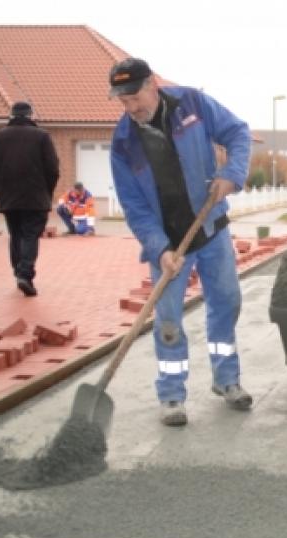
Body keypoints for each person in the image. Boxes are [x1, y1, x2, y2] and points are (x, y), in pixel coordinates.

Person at [108, 57, 252, 426]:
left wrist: (231, 174)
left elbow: (238, 132)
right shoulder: (123, 142)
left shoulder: (192, 104)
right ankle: (172, 395)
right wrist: (160, 249)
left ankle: (227, 379)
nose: (131, 108)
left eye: (135, 97)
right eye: (123, 102)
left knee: (227, 302)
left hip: (210, 229)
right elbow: (134, 207)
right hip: (168, 244)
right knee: (168, 319)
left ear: (152, 85)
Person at [0, 101, 60, 297]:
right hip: (35, 197)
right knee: (30, 235)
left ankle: (18, 271)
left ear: (12, 115)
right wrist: (47, 191)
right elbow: (52, 169)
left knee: (16, 235)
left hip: (9, 198)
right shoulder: (42, 136)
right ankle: (25, 274)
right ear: (30, 115)